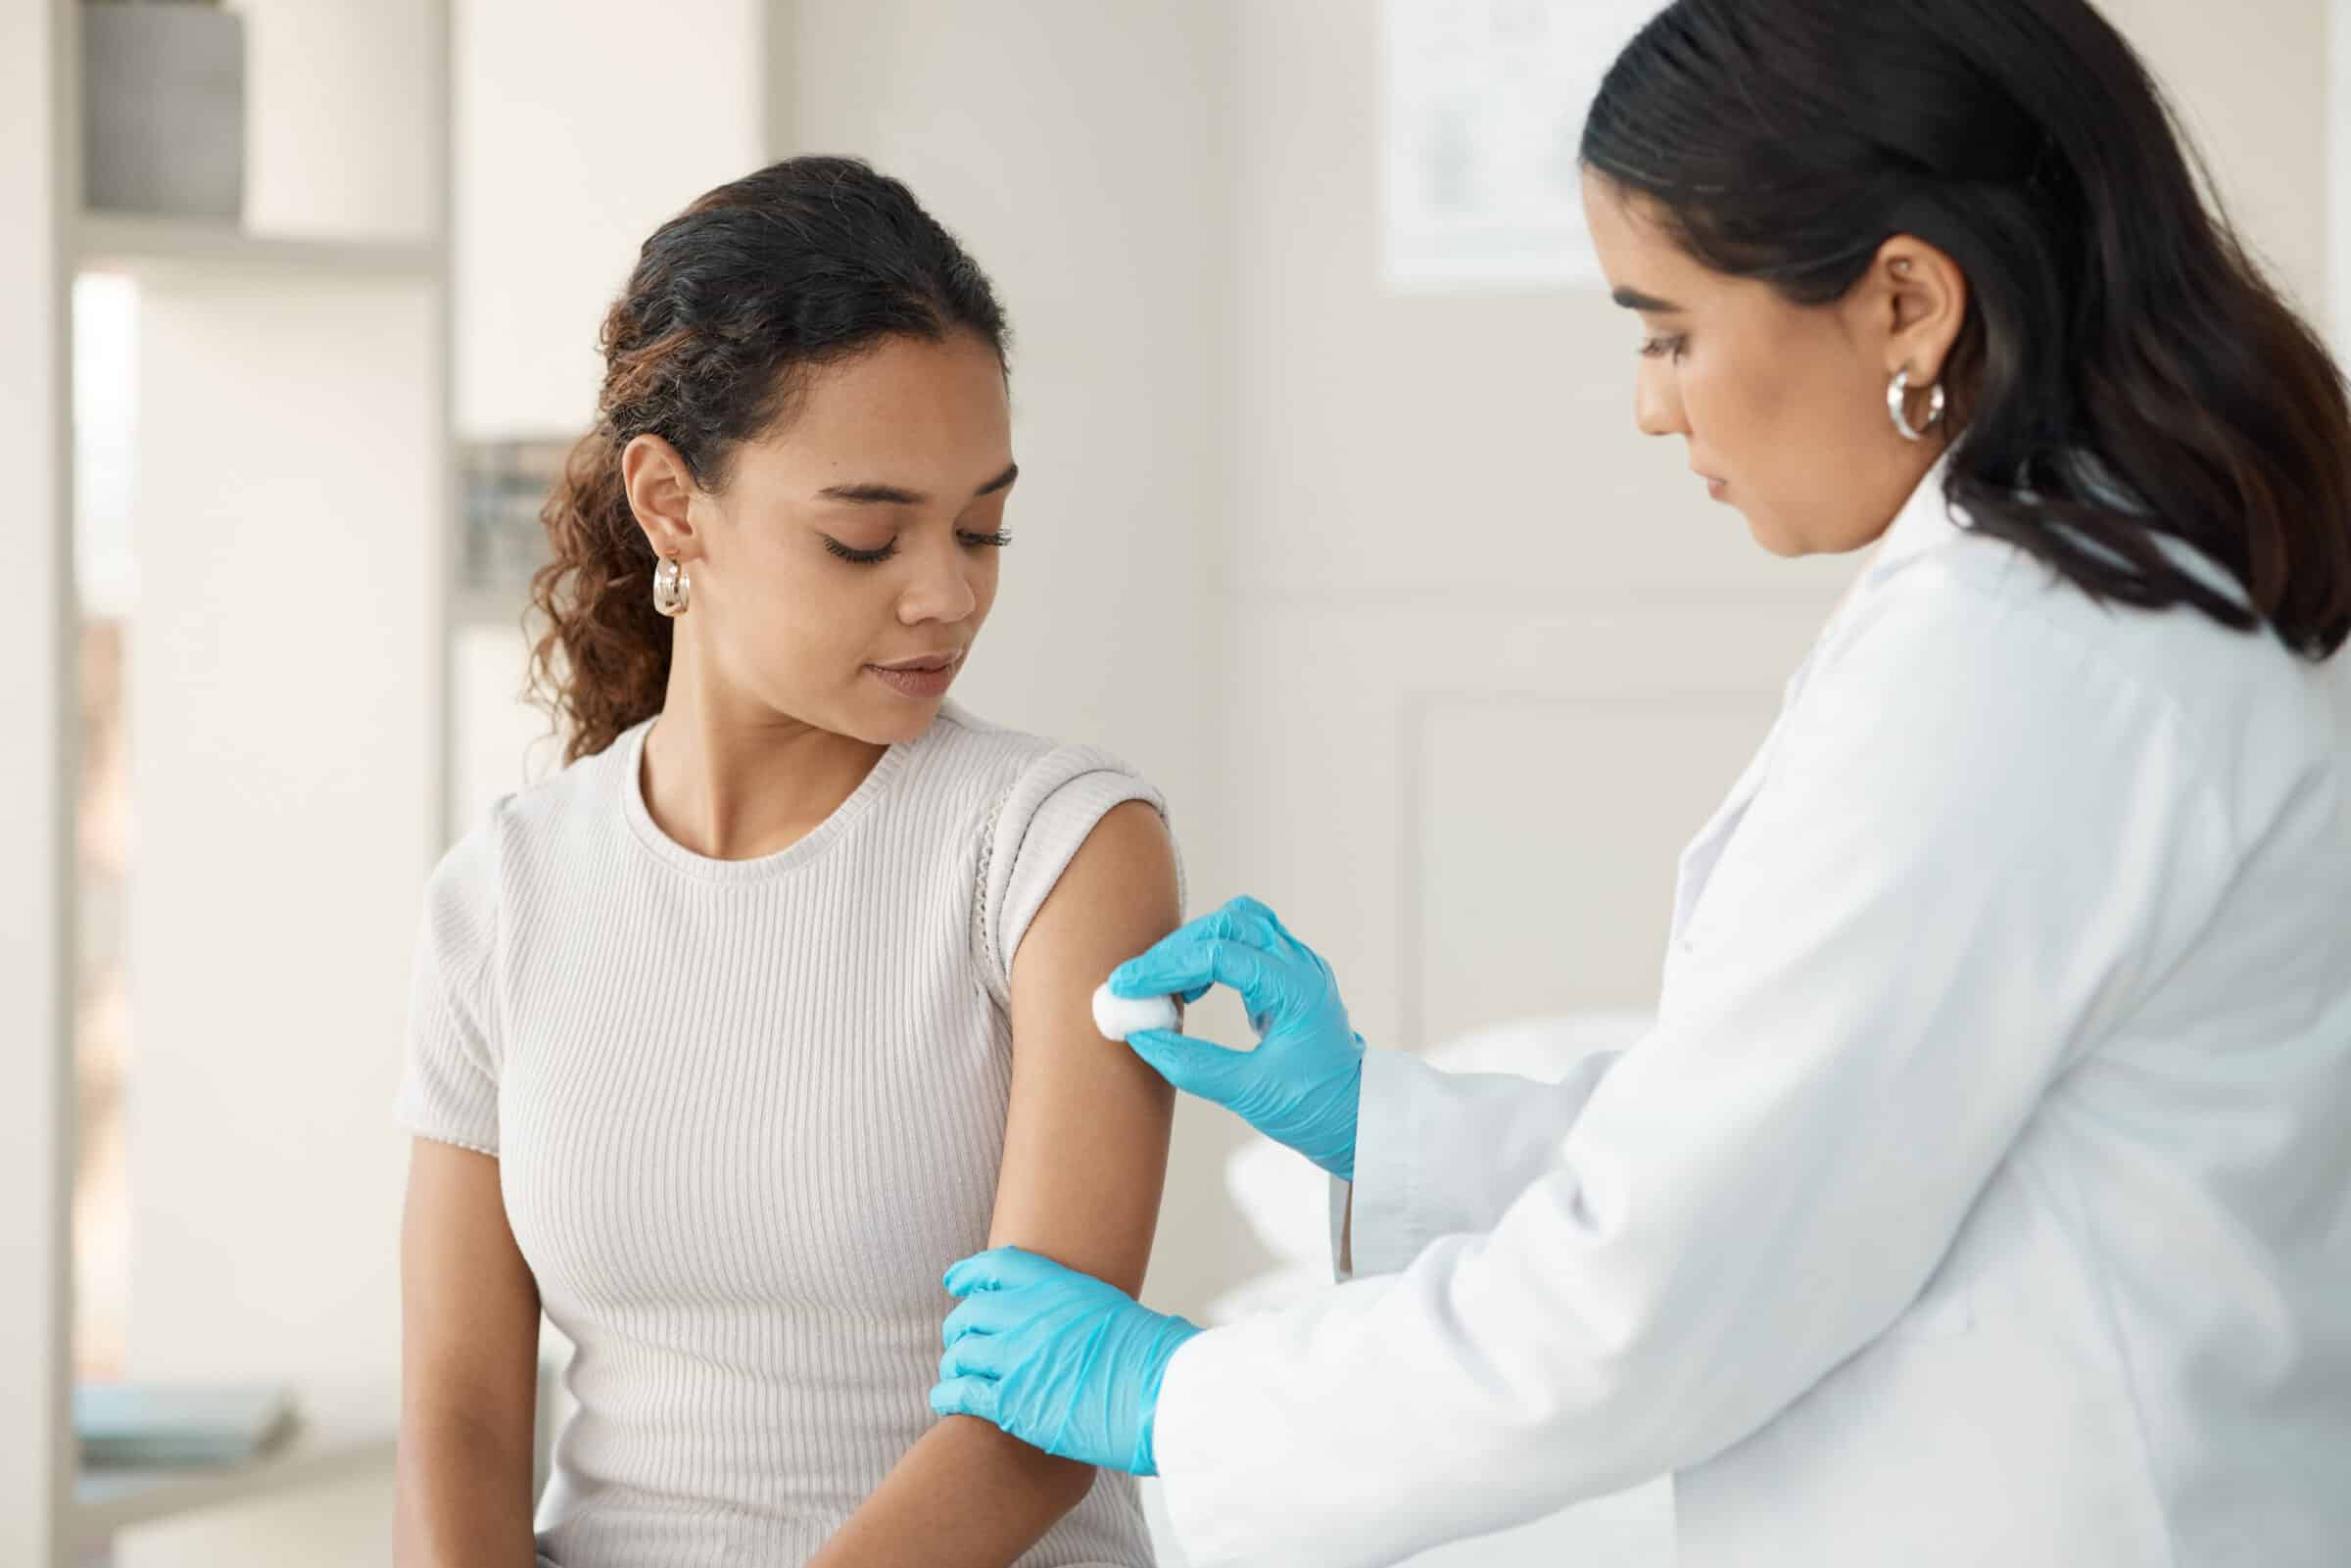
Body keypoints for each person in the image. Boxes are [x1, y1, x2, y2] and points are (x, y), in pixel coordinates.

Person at [927, 3, 2351, 1564]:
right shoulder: (2101, 601)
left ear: (1905, 303)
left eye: (1668, 329)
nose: (1652, 401)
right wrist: (1386, 1129)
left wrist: (1180, 1395)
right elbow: (1814, 1144)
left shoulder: (2028, 666)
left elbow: (1667, 1289)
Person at [393, 157, 1183, 1568]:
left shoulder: (1060, 854)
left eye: (981, 526)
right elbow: (458, 1413)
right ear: (672, 505)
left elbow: (1038, 1427)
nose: (946, 591)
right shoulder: (505, 892)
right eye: (866, 535)